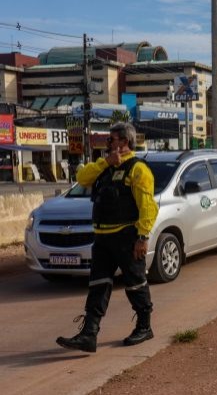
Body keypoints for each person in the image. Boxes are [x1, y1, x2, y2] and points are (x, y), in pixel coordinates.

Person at [56, 122, 159, 353]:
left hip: (127, 237)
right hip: (102, 238)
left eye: (110, 140)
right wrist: (106, 162)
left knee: (135, 283)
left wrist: (142, 237)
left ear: (124, 142)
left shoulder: (138, 169)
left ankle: (145, 326)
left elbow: (148, 207)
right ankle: (89, 334)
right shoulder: (105, 167)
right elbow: (82, 178)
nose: (107, 144)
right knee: (98, 285)